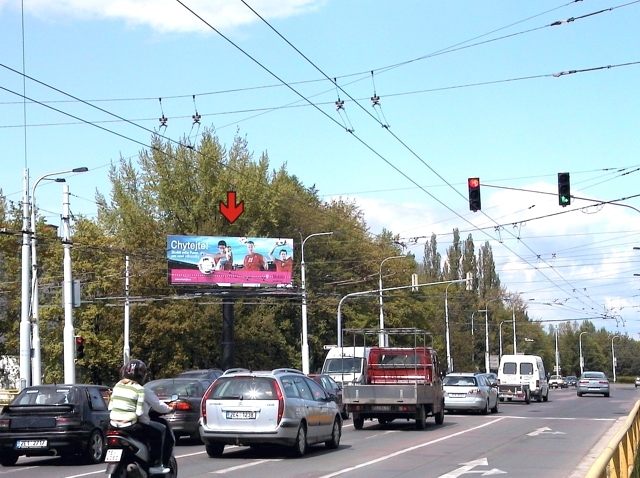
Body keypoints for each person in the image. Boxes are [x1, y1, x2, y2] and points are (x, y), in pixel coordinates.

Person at [108, 359, 170, 474]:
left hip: (112, 425)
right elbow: (144, 411)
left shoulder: (117, 386)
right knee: (159, 430)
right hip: (130, 425)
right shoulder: (141, 390)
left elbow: (110, 406)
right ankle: (155, 464)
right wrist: (170, 409)